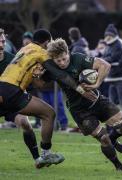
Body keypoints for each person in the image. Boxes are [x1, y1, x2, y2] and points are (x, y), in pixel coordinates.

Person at [0, 29, 95, 168]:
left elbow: (34, 79)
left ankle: (40, 158)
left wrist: (36, 75)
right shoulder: (41, 52)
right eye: (49, 44)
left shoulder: (24, 49)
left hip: (5, 88)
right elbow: (60, 74)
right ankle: (45, 153)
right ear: (46, 42)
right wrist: (80, 89)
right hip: (13, 91)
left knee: (29, 122)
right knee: (49, 114)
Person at [37, 38, 122, 171]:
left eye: (64, 58)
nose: (62, 63)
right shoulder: (51, 68)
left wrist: (97, 84)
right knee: (103, 138)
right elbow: (40, 83)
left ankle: (114, 139)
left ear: (68, 53)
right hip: (79, 110)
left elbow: (105, 65)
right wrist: (37, 75)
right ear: (53, 60)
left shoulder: (78, 58)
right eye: (59, 61)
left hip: (97, 100)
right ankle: (118, 166)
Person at [0, 28, 43, 165]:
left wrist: (35, 76)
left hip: (11, 101)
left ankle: (37, 159)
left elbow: (24, 79)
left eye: (3, 41)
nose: (2, 44)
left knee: (25, 123)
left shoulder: (11, 58)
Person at [103, 24, 122, 120]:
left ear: (114, 35)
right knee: (112, 103)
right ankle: (115, 123)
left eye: (109, 35)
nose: (107, 37)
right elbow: (105, 57)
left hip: (121, 77)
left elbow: (113, 57)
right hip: (111, 78)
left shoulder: (118, 43)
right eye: (106, 35)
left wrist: (103, 60)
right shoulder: (108, 45)